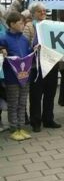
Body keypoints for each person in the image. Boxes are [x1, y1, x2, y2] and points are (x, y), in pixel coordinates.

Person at [24, 2, 61, 132]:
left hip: (51, 64)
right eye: (40, 11)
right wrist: (33, 48)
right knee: (36, 95)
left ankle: (48, 119)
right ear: (33, 13)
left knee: (50, 94)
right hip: (36, 66)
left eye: (44, 11)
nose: (43, 13)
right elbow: (24, 46)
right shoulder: (29, 27)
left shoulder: (50, 25)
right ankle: (35, 121)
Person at [0, 12, 33, 141]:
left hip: (25, 76)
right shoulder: (3, 38)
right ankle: (14, 128)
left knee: (22, 103)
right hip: (12, 77)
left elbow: (28, 52)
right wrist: (2, 49)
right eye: (20, 23)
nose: (23, 25)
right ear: (12, 24)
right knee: (13, 104)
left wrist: (34, 49)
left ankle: (20, 127)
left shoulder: (24, 39)